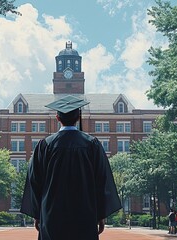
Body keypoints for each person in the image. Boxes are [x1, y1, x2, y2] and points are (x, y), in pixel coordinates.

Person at [20, 95, 122, 240]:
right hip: (85, 214)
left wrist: (37, 214)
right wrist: (100, 214)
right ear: (78, 118)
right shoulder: (92, 144)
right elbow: (102, 181)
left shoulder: (45, 145)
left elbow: (35, 181)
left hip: (52, 215)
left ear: (57, 118)